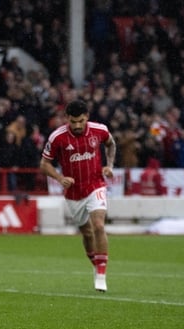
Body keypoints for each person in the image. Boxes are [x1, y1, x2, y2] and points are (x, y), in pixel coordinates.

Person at [40, 99, 116, 292]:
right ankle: (96, 264)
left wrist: (110, 165)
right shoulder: (57, 137)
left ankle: (101, 274)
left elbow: (111, 143)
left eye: (81, 121)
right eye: (73, 122)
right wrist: (59, 177)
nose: (77, 125)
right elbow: (44, 164)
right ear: (67, 119)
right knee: (87, 232)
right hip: (74, 194)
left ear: (87, 118)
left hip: (95, 185)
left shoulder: (99, 130)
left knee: (98, 225)